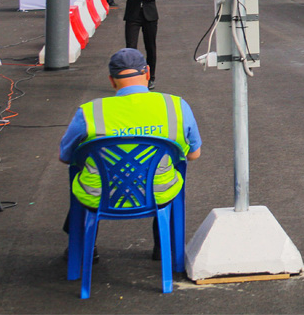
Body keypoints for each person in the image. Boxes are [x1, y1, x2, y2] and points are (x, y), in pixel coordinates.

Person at [59, 48, 201, 260]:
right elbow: (193, 154)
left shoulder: (90, 112)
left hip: (100, 194)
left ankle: (82, 249)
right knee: (169, 179)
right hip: (158, 192)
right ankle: (164, 249)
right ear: (147, 72)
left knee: (81, 178)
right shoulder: (176, 106)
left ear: (111, 80)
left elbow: (66, 157)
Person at [117, 0, 165, 88]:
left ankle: (151, 78)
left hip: (150, 14)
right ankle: (131, 78)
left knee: (150, 47)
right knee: (131, 48)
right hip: (133, 14)